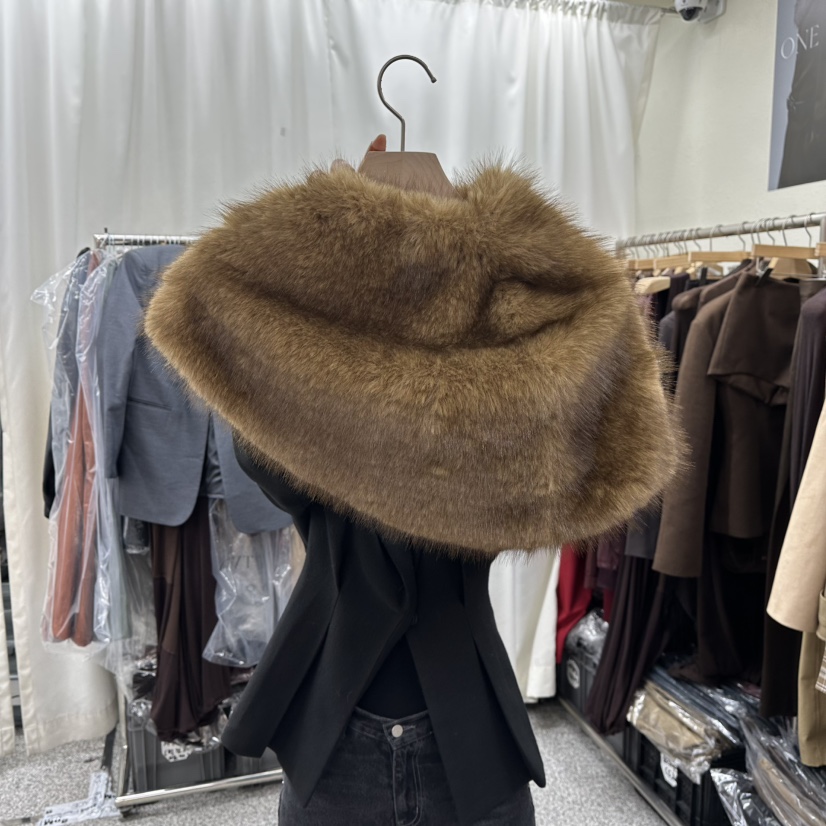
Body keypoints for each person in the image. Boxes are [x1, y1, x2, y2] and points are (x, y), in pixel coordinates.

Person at [145, 132, 680, 824]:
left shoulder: (514, 333)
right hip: (336, 730)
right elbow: (253, 442)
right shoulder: (308, 328)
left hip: (466, 732)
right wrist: (315, 254)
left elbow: (600, 453)